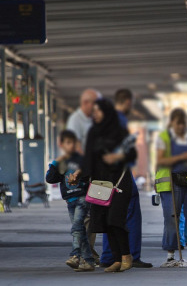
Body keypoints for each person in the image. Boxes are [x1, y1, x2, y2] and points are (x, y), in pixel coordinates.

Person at [71, 98, 137, 273]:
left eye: (98, 111)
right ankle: (116, 259)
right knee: (105, 222)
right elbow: (89, 158)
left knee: (116, 220)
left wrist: (117, 157)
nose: (95, 114)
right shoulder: (94, 132)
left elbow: (131, 154)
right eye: (94, 112)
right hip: (100, 182)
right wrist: (78, 173)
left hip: (119, 182)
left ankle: (126, 256)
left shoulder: (120, 132)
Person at [99, 89, 152, 268]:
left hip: (107, 171)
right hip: (119, 171)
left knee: (111, 213)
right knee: (129, 211)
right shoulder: (119, 119)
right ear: (128, 102)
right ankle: (130, 255)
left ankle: (110, 256)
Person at [155, 108, 187, 267]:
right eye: (178, 125)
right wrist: (180, 157)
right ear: (172, 123)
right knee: (172, 219)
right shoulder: (164, 137)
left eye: (183, 124)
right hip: (171, 182)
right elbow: (161, 159)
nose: (181, 128)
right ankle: (170, 256)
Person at [45, 130, 94, 272]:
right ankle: (88, 261)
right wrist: (56, 162)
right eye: (67, 143)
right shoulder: (61, 162)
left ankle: (75, 255)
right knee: (79, 230)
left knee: (77, 227)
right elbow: (50, 179)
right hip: (70, 199)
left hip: (82, 197)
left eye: (73, 143)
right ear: (62, 145)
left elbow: (87, 174)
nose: (70, 146)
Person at [66, 88, 101, 264]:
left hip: (92, 173)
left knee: (91, 215)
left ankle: (88, 253)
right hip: (80, 175)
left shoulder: (93, 121)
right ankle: (81, 255)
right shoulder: (76, 120)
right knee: (84, 216)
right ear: (86, 103)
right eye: (95, 104)